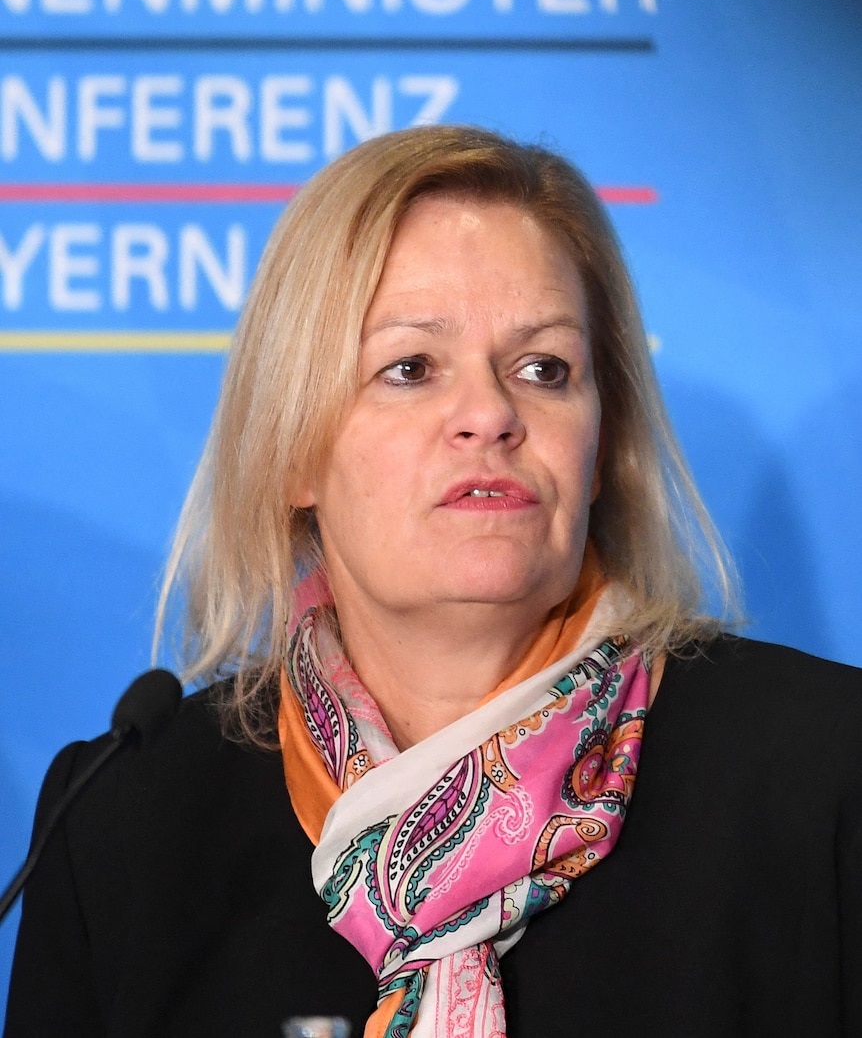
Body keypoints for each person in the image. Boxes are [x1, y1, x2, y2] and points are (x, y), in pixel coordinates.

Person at [5, 125, 862, 1038]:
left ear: (602, 442)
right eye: (410, 368)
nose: (491, 413)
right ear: (294, 448)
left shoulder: (824, 776)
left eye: (544, 368)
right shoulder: (124, 826)